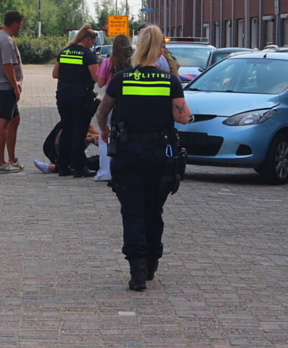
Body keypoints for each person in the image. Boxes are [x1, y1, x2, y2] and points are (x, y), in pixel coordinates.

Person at [96, 25, 192, 292]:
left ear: (137, 48)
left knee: (132, 212)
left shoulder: (122, 78)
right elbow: (182, 117)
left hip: (127, 154)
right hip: (160, 156)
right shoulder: (169, 80)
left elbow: (103, 111)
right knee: (153, 210)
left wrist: (104, 132)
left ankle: (136, 270)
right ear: (161, 50)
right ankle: (151, 262)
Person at [52, 24, 100, 177]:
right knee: (79, 131)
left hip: (63, 94)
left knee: (67, 129)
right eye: (93, 41)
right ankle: (79, 167)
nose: (93, 44)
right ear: (88, 39)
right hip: (81, 96)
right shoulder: (87, 55)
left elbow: (55, 74)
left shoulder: (64, 52)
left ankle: (63, 166)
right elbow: (96, 78)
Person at [0, 11, 25, 173]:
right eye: (21, 24)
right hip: (4, 88)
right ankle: (0, 163)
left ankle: (12, 158)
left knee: (14, 120)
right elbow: (8, 66)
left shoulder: (0, 37)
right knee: (2, 125)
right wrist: (15, 87)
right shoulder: (6, 42)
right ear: (15, 23)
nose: (21, 27)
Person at [95, 34, 133, 181]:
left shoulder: (108, 62)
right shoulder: (134, 62)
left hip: (110, 101)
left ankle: (105, 171)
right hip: (129, 102)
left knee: (106, 134)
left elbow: (99, 83)